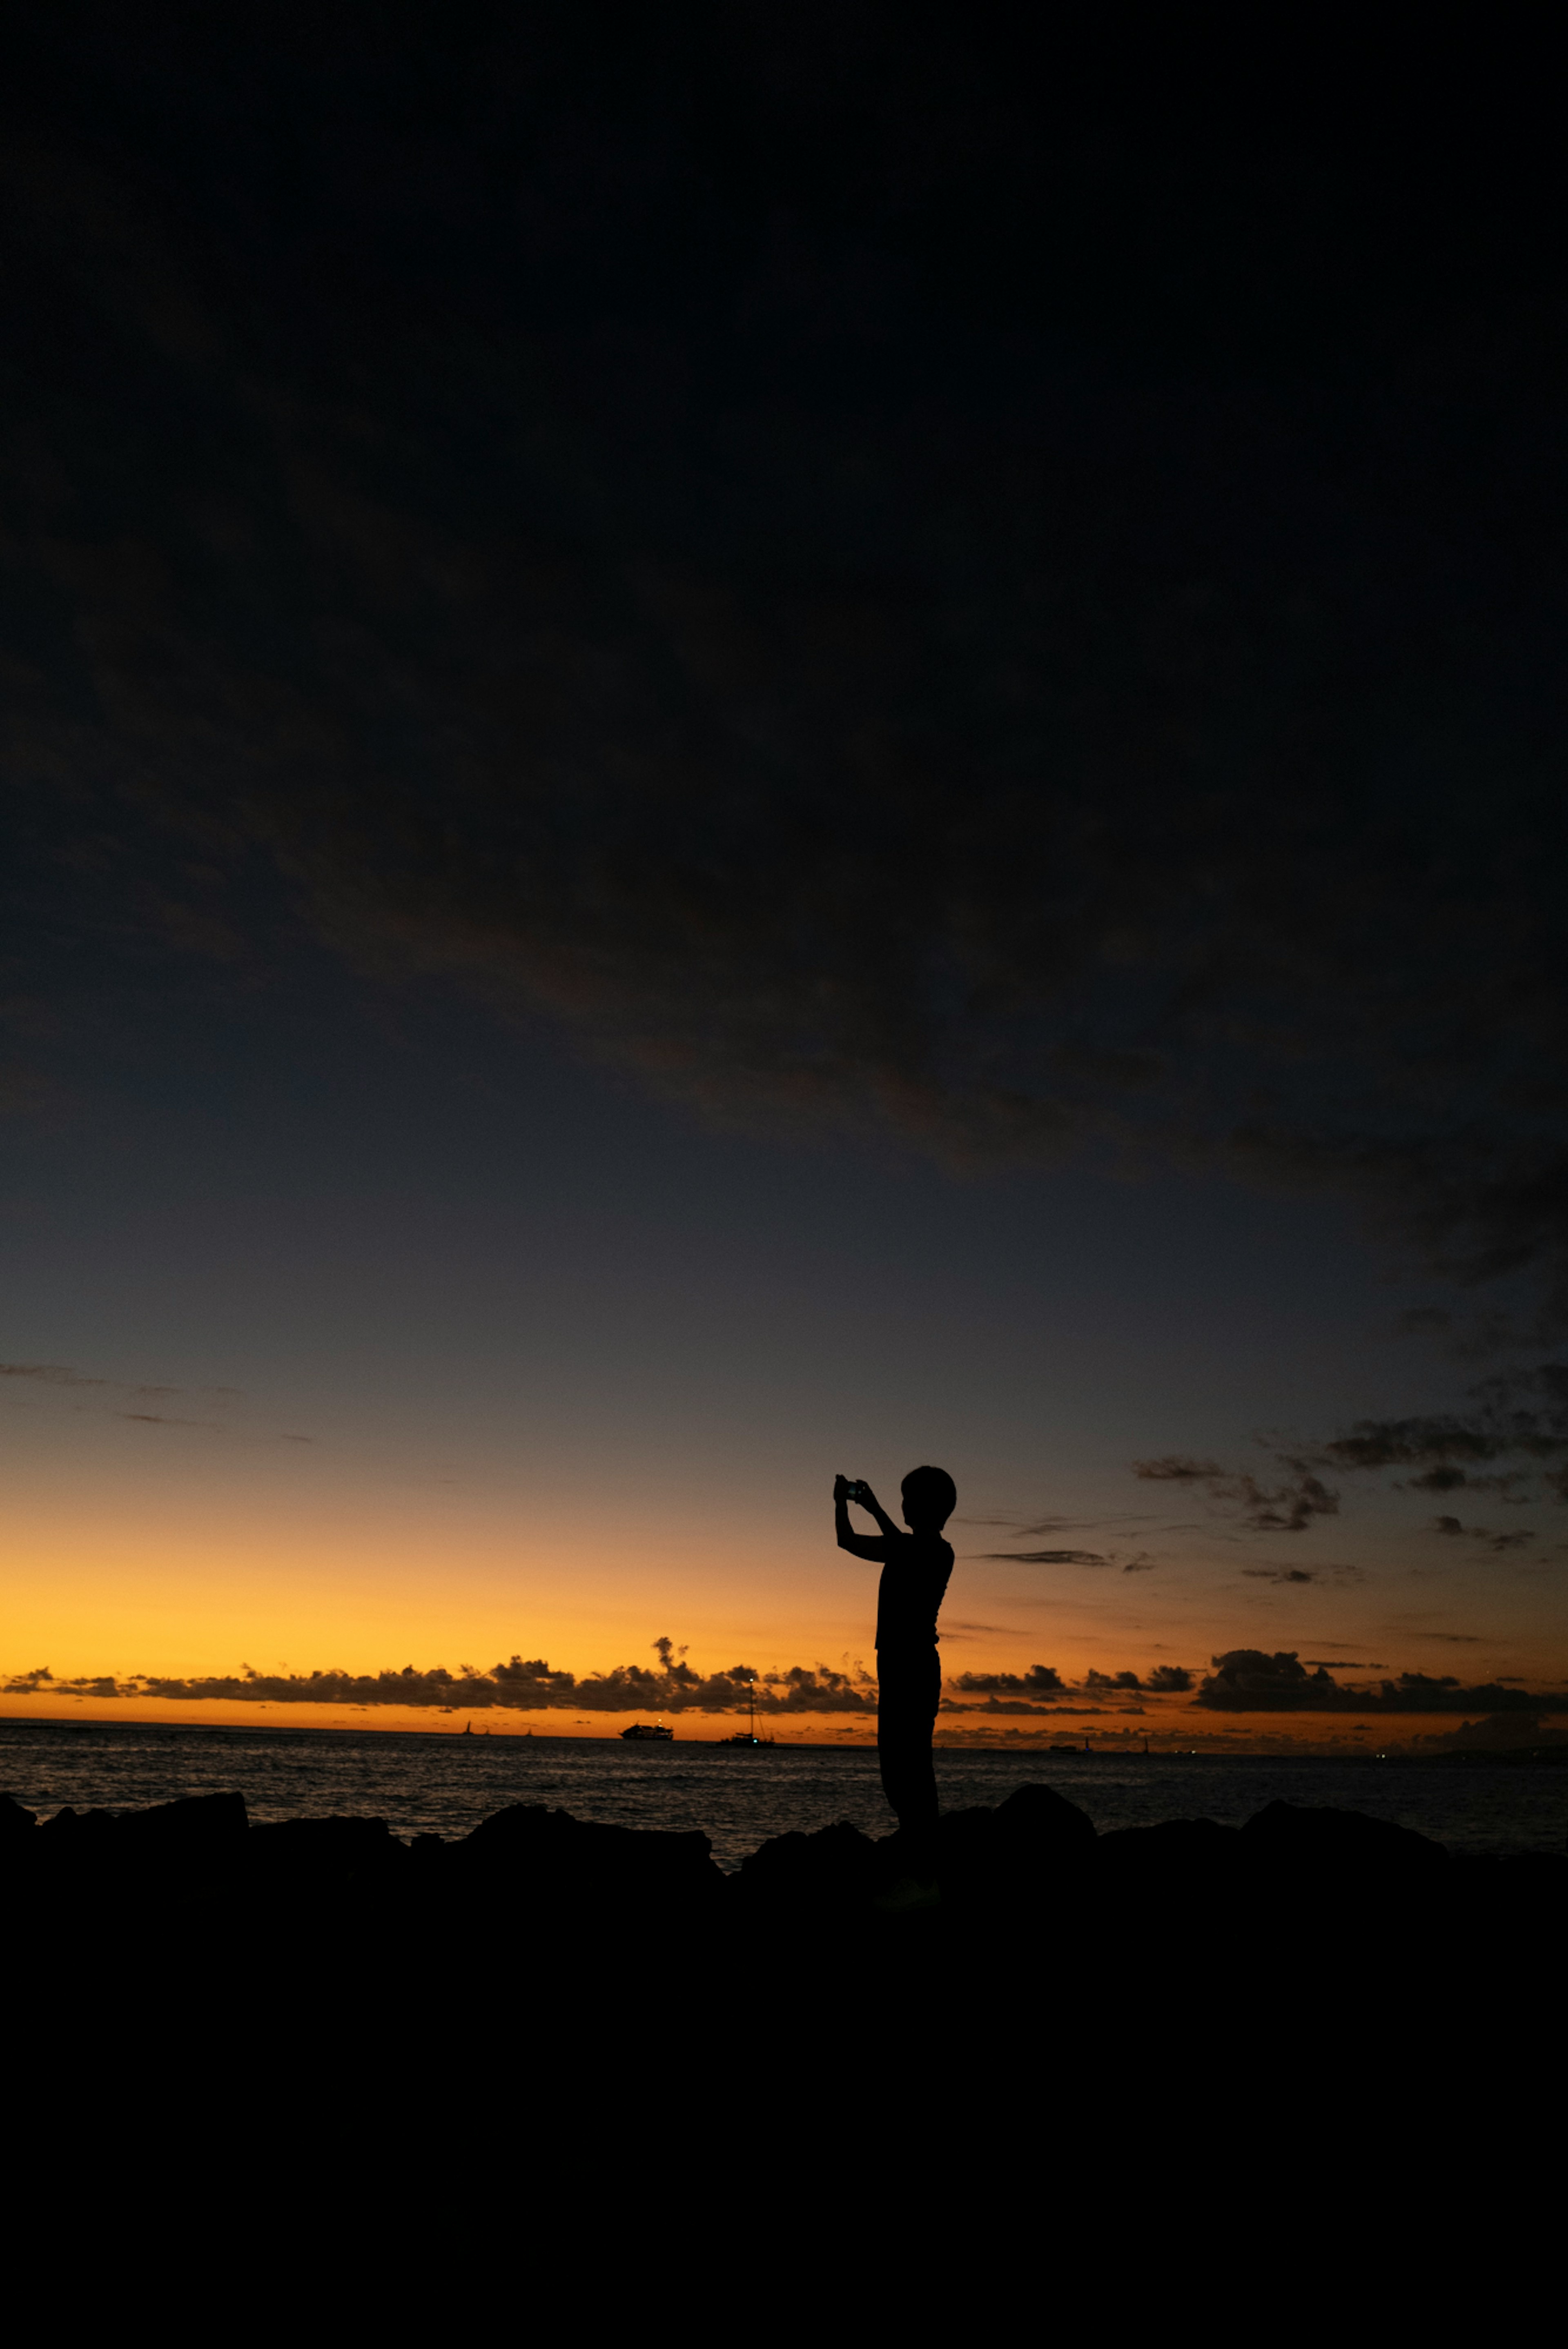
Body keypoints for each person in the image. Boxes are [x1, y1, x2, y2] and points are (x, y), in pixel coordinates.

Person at [834, 1465, 957, 1844]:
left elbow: (909, 1552)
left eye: (908, 1499)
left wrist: (873, 1508)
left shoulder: (938, 1552)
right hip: (895, 1666)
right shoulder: (902, 1548)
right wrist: (842, 1505)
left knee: (912, 1767)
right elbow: (847, 1540)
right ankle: (917, 1849)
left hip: (914, 1667)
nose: (902, 1505)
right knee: (895, 1768)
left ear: (926, 1506)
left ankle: (924, 1864)